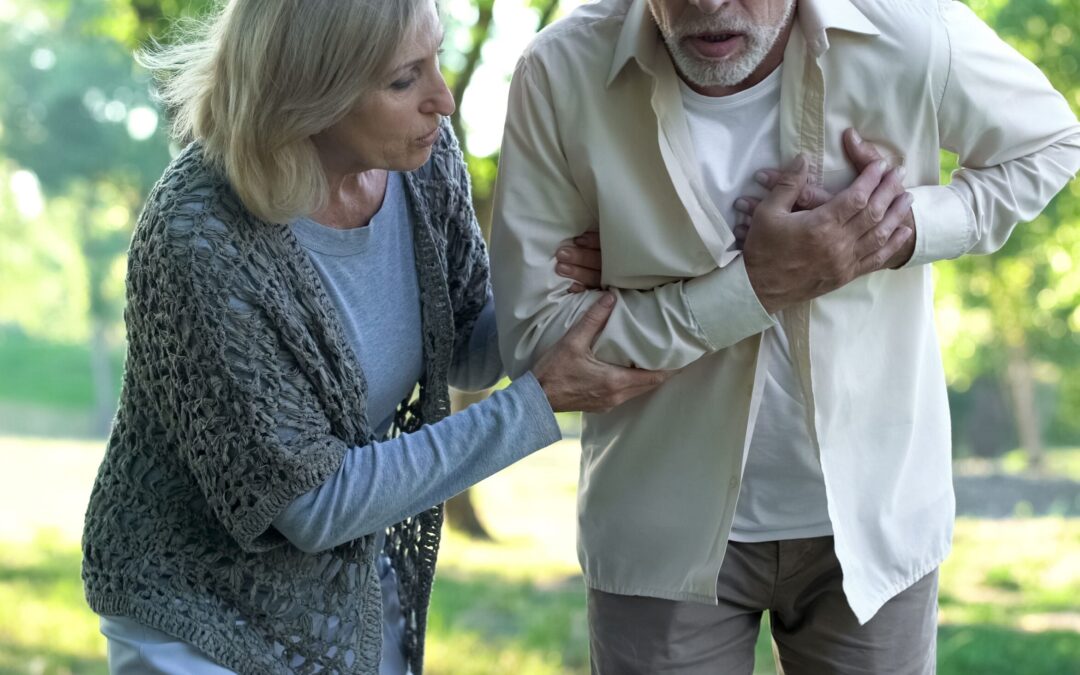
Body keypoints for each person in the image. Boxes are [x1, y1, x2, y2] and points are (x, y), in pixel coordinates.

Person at [79, 1, 673, 674]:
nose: (442, 100)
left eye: (437, 60)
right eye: (403, 80)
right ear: (311, 91)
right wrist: (536, 403)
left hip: (339, 593)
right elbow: (312, 502)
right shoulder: (200, 238)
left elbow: (465, 343)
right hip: (193, 606)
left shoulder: (417, 160)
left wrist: (566, 282)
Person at [489, 0, 1080, 672]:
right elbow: (544, 344)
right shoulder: (559, 72)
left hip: (875, 524)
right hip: (660, 525)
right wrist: (756, 285)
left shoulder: (910, 33)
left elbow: (1051, 142)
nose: (709, 6)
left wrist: (898, 229)